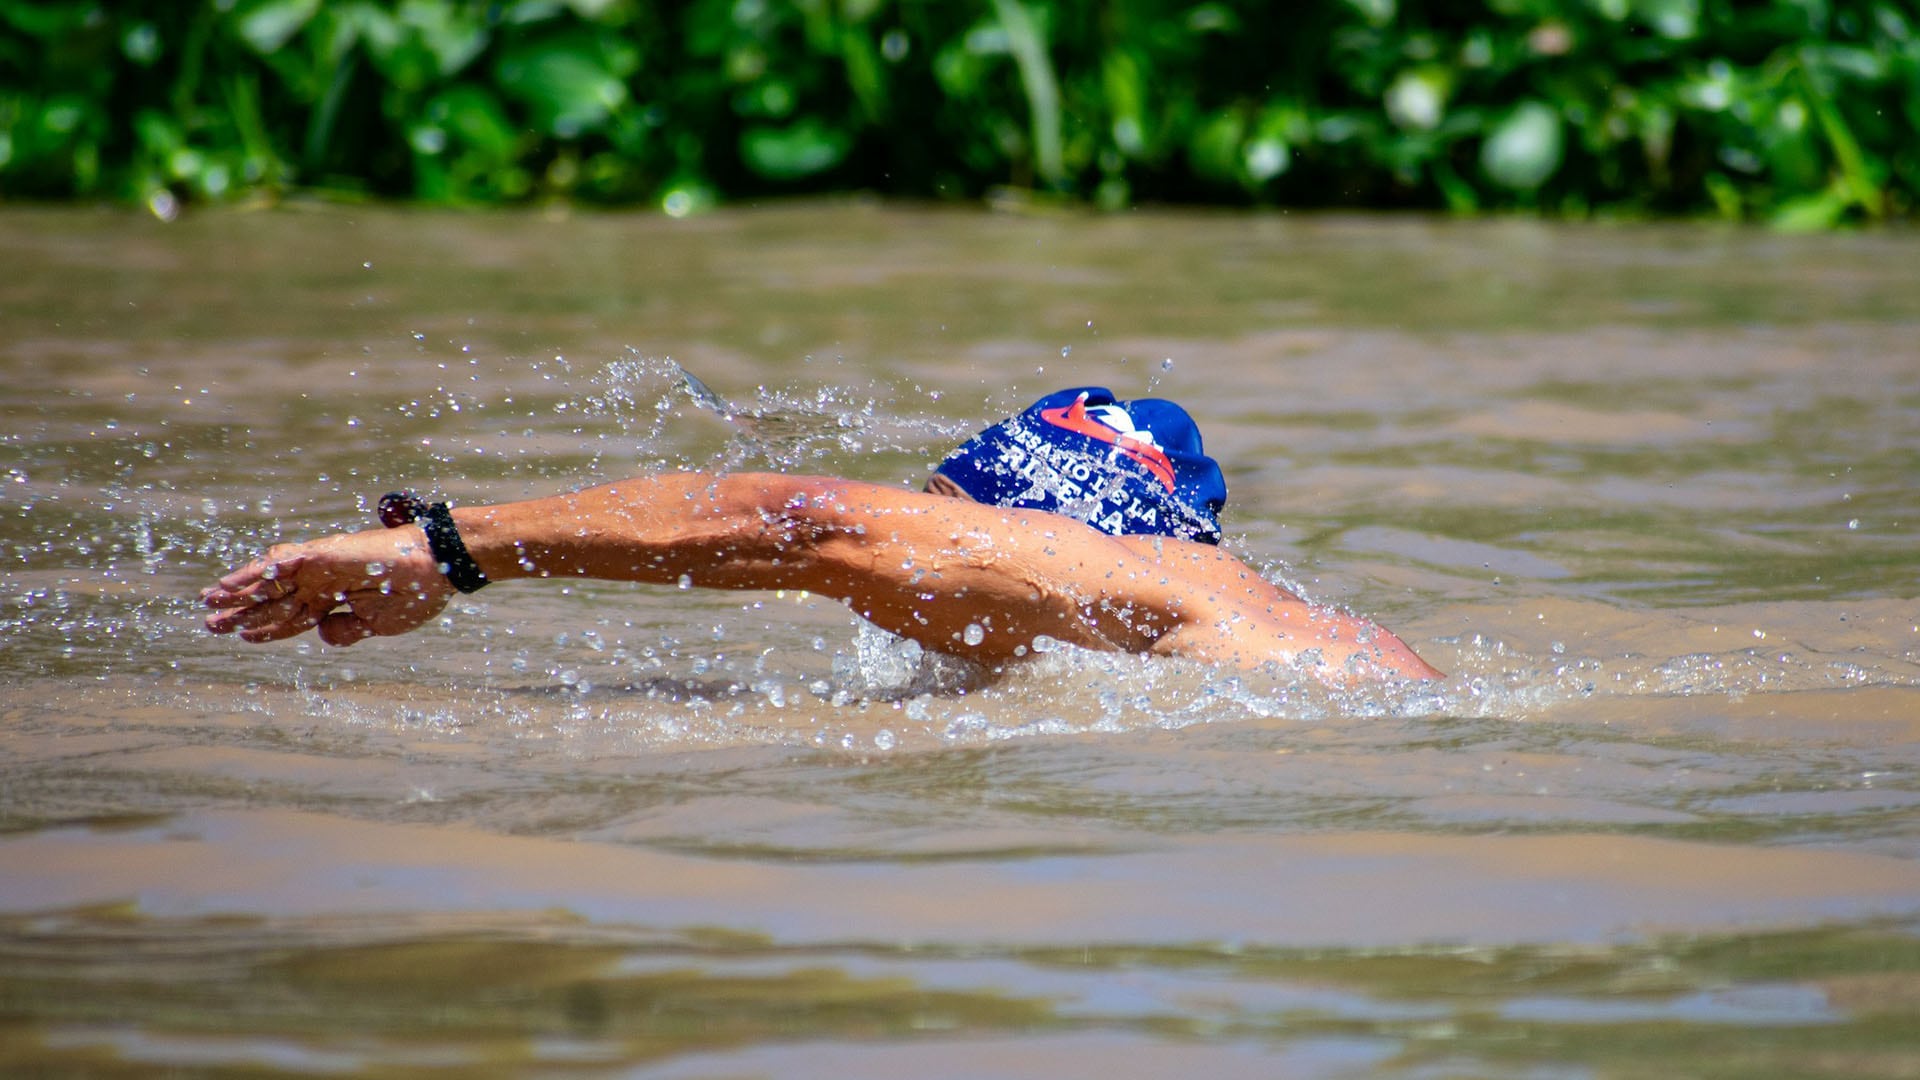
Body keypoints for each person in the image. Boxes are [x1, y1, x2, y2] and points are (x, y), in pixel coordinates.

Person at [203, 387, 1441, 683]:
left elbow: (796, 523)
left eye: (940, 516)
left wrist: (447, 547)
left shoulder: (1092, 566)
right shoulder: (1300, 630)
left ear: (1020, 507)